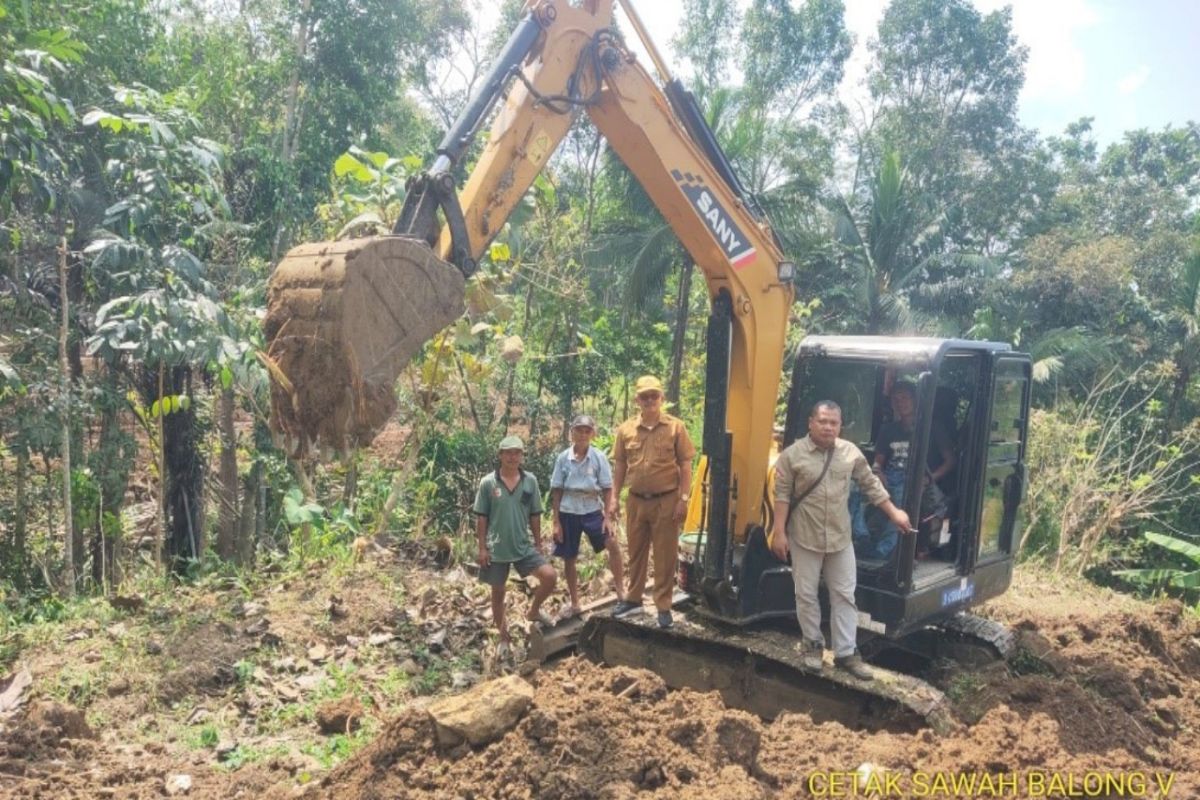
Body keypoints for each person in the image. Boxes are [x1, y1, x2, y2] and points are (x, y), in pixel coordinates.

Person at [769, 401, 912, 681]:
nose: (828, 427)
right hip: (804, 537)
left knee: (845, 595)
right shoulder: (792, 455)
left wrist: (894, 512)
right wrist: (778, 531)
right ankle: (812, 645)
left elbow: (871, 485)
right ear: (811, 422)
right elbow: (782, 495)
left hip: (839, 538)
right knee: (806, 594)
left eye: (833, 423)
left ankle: (846, 653)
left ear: (840, 426)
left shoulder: (850, 453)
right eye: (822, 421)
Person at [609, 375, 696, 628]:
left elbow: (686, 464)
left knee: (665, 553)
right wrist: (614, 497)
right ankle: (633, 599)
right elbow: (620, 465)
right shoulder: (625, 430)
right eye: (644, 396)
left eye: (654, 396)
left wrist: (683, 498)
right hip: (636, 501)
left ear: (662, 398)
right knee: (635, 551)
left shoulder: (675, 428)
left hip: (666, 500)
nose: (649, 400)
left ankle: (663, 605)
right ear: (637, 400)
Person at [474, 435, 557, 658]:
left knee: (549, 576)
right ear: (500, 455)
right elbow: (481, 517)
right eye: (508, 452)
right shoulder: (488, 483)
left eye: (517, 453)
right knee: (497, 592)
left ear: (522, 456)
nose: (513, 457)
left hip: (522, 545)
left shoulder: (529, 481)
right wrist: (482, 548)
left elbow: (535, 514)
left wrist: (538, 543)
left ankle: (534, 611)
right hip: (496, 548)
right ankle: (503, 638)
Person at [550, 414, 625, 618]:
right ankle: (575, 602)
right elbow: (556, 490)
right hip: (568, 510)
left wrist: (608, 518)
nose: (582, 435)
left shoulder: (598, 457)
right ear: (572, 432)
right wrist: (556, 522)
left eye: (587, 431)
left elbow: (607, 488)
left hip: (592, 508)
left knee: (612, 543)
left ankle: (621, 590)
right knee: (569, 556)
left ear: (592, 433)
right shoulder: (563, 458)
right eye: (579, 430)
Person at [869, 382, 955, 559]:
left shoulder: (932, 427)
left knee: (901, 496)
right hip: (890, 477)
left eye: (905, 397)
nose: (901, 402)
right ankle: (861, 539)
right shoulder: (888, 429)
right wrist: (878, 473)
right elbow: (878, 463)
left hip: (919, 481)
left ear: (916, 400)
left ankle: (883, 553)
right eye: (896, 399)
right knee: (854, 489)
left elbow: (950, 461)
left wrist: (928, 480)